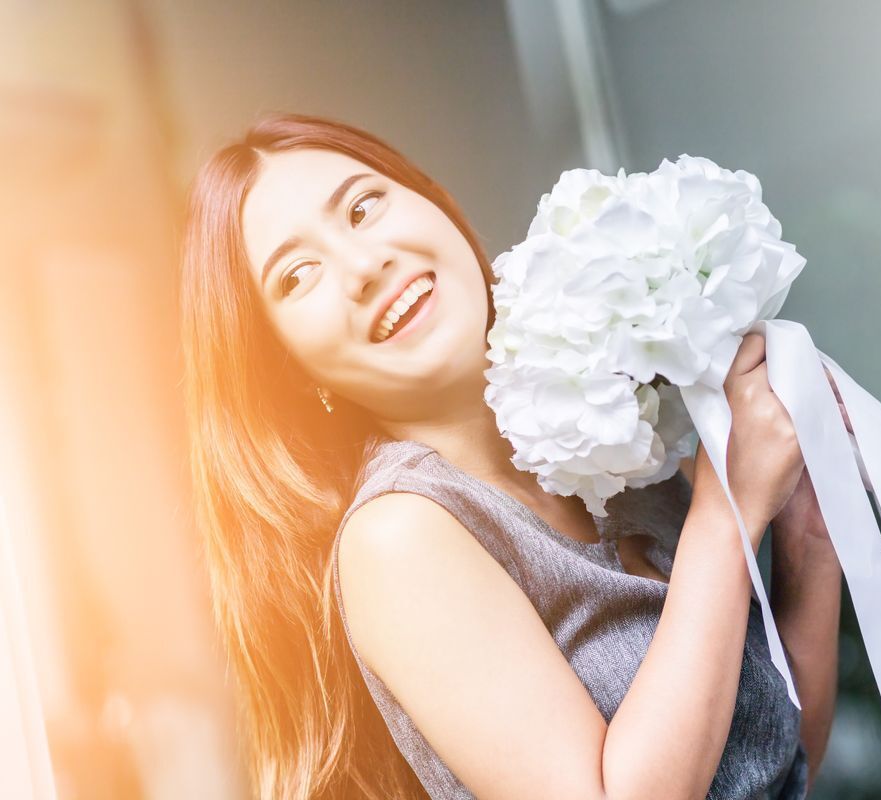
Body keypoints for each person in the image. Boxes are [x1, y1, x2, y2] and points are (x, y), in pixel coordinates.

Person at [179, 111, 844, 799]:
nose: (364, 265)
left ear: (430, 200)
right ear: (289, 370)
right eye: (298, 275)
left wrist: (805, 526)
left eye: (362, 206)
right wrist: (723, 514)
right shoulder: (399, 537)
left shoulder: (611, 433)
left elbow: (775, 763)